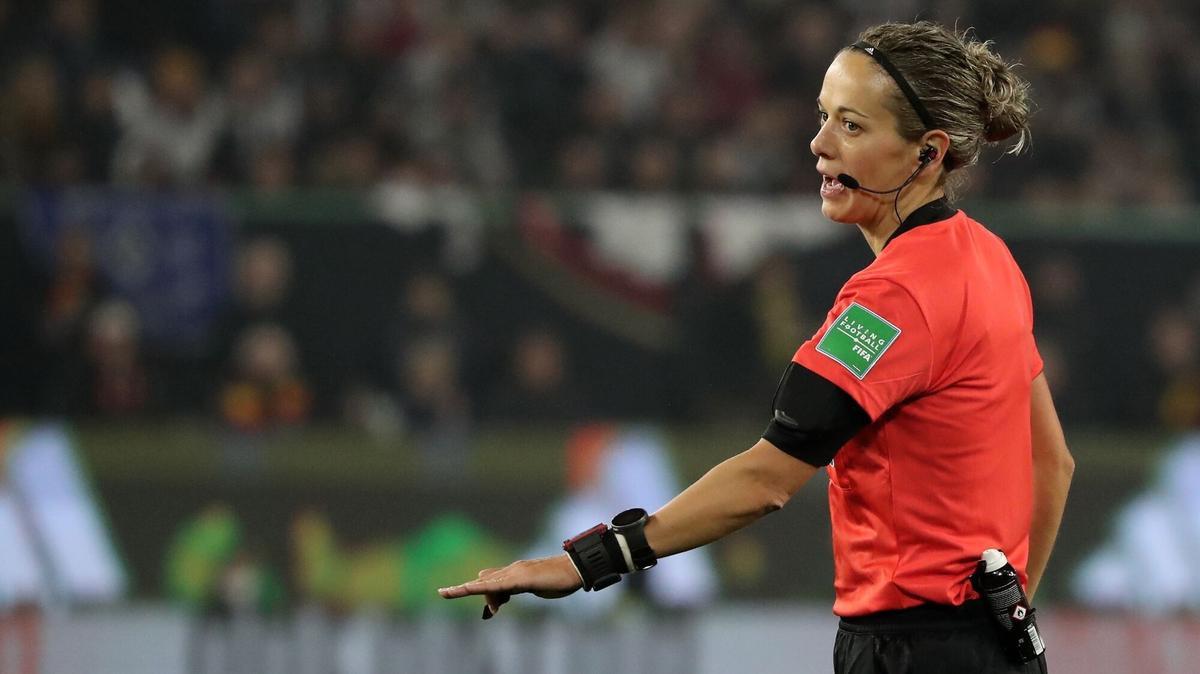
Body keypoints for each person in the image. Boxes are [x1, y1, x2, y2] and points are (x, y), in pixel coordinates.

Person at [438, 21, 1076, 674]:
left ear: (927, 153)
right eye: (824, 117)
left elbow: (768, 481)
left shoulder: (895, 299)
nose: (820, 144)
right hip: (997, 644)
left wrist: (586, 562)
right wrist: (1011, 614)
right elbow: (1052, 465)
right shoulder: (990, 257)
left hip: (911, 651)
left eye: (852, 127)